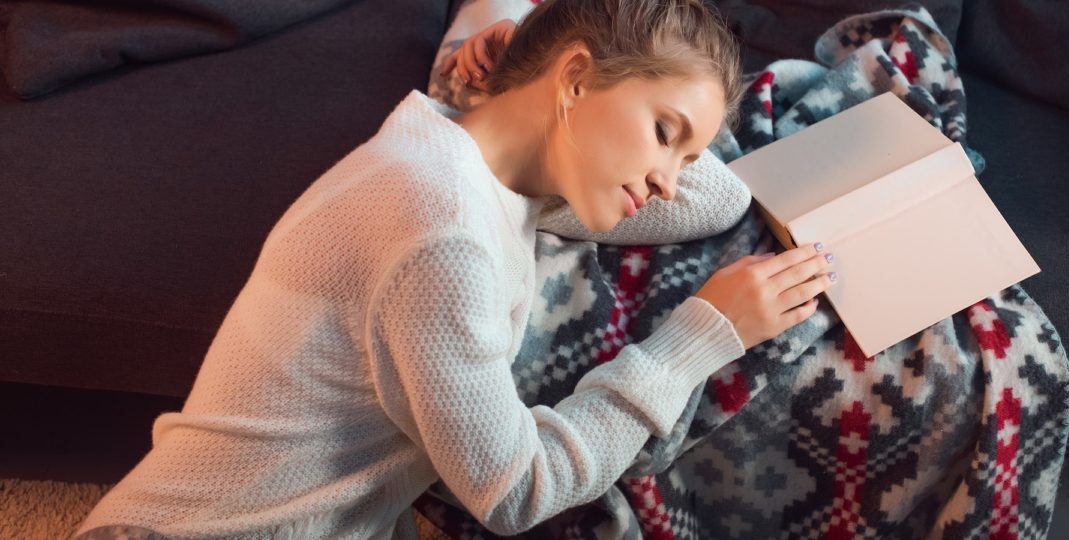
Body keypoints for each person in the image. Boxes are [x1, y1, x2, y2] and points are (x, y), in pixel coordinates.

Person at [72, 0, 838, 538]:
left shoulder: (475, 160)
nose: (673, 177)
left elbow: (719, 199)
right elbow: (516, 492)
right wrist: (698, 340)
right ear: (574, 79)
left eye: (687, 151)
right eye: (665, 133)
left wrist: (521, 90)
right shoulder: (439, 226)